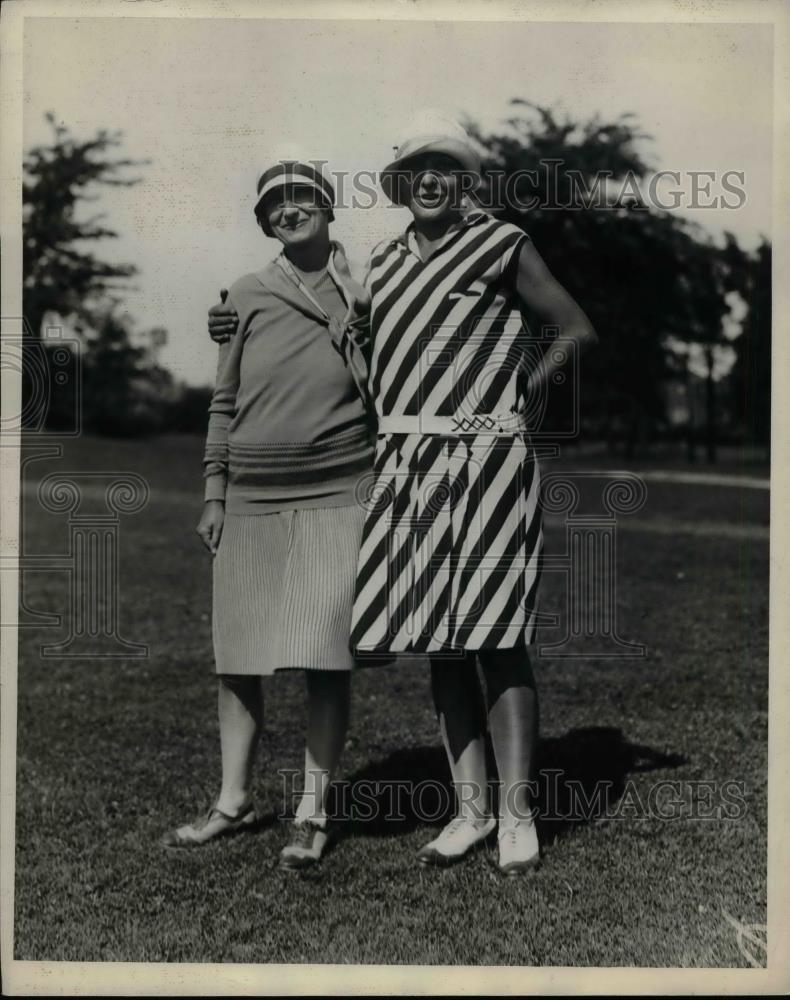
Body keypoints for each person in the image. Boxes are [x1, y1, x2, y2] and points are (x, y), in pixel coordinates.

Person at [207, 112, 597, 875]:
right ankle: (470, 811)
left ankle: (518, 816)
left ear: (465, 182)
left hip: (488, 459)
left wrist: (522, 392)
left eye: (444, 169)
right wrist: (226, 319)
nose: (429, 179)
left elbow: (575, 329)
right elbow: (325, 315)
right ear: (398, 184)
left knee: (494, 635)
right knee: (440, 642)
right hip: (407, 462)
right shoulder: (381, 264)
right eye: (416, 168)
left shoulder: (503, 242)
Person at [163, 157, 374, 870]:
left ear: (328, 206)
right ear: (263, 223)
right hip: (251, 493)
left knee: (324, 655)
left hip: (340, 489)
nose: (288, 210)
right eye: (274, 205)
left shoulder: (370, 290)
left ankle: (314, 811)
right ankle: (233, 799)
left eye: (301, 198)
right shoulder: (246, 294)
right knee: (239, 657)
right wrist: (214, 492)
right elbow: (223, 400)